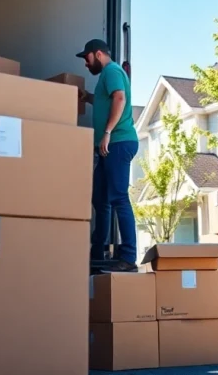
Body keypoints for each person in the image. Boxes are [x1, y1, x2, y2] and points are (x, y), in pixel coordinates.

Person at [77, 39, 140, 272]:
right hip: (111, 146)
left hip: (119, 142)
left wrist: (107, 133)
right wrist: (88, 97)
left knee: (118, 198)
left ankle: (129, 257)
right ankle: (98, 251)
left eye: (87, 58)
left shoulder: (112, 70)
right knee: (100, 199)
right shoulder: (106, 76)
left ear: (99, 54)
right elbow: (106, 100)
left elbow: (119, 98)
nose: (86, 63)